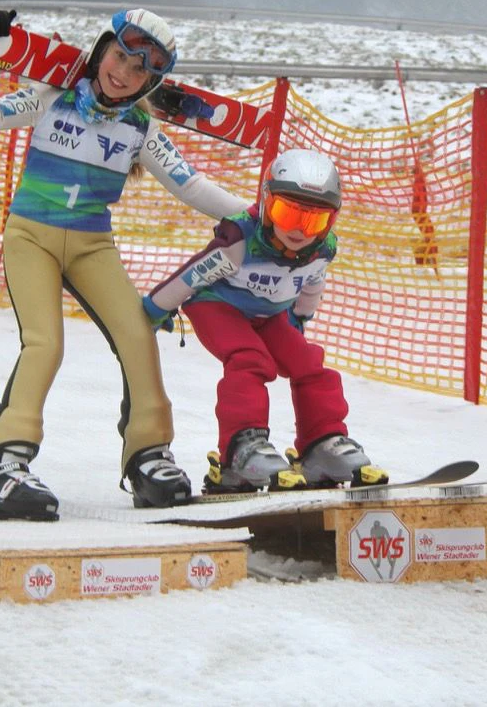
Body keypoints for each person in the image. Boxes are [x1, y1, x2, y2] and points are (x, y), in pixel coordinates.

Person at [0, 7, 248, 519]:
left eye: (141, 71)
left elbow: (192, 185)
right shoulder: (54, 97)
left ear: (151, 82)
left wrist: (258, 219)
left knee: (138, 333)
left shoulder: (139, 128)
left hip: (92, 243)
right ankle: (2, 463)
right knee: (46, 343)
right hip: (32, 237)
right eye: (120, 56)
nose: (124, 73)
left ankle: (147, 455)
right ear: (102, 49)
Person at [140, 149, 387, 493]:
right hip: (219, 306)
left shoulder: (321, 250)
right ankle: (241, 449)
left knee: (309, 364)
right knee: (249, 359)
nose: (299, 230)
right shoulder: (241, 241)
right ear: (267, 202)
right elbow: (193, 274)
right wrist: (154, 308)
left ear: (330, 221)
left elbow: (313, 282)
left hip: (270, 314)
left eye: (313, 221)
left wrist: (300, 318)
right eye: (287, 213)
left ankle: (322, 443)